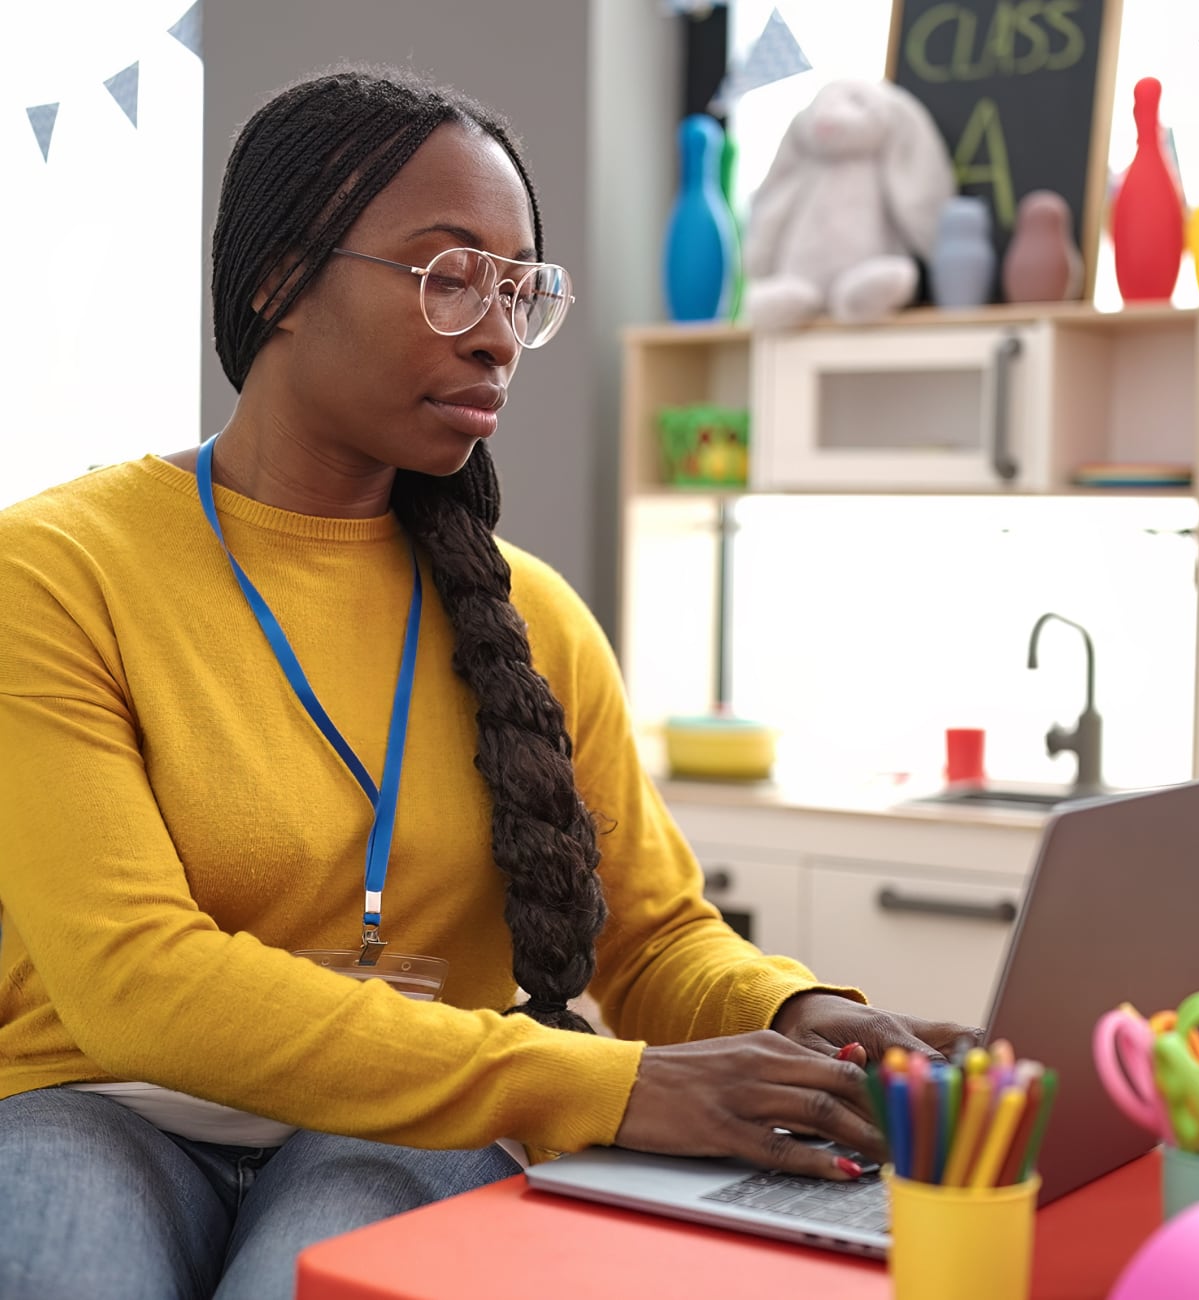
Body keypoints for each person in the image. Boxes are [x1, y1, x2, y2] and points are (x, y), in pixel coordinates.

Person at [0, 66, 973, 1299]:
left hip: (398, 1122)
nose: (499, 333)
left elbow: (654, 933)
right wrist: (608, 1083)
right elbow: (131, 977)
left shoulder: (533, 615)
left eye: (520, 289)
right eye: (449, 275)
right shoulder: (54, 570)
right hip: (95, 1100)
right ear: (276, 281)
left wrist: (798, 1015)